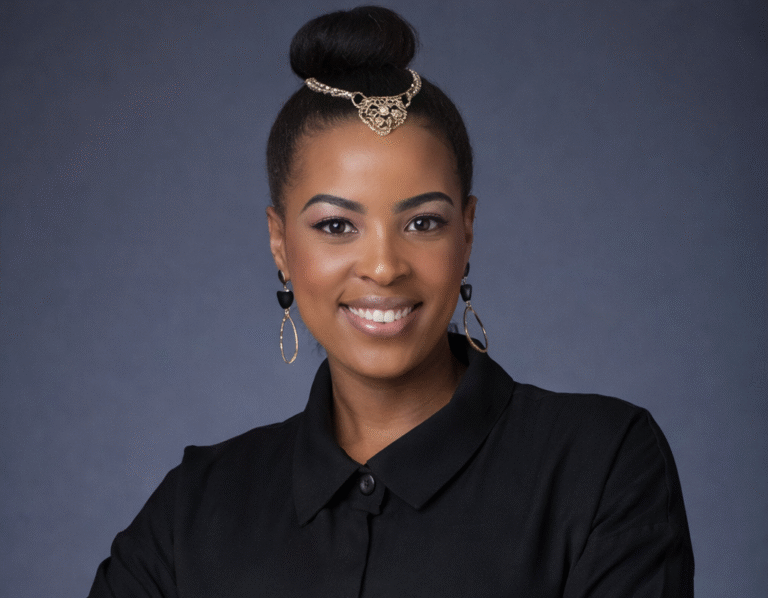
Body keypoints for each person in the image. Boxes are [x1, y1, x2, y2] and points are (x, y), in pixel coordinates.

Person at [88, 6, 694, 597]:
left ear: (467, 233)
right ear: (279, 242)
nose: (383, 266)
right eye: (336, 226)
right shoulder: (194, 510)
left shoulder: (601, 464)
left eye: (423, 223)